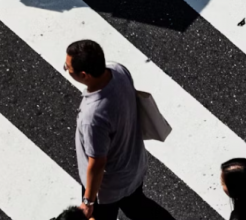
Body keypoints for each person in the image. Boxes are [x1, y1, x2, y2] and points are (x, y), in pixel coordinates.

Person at [64, 40, 175, 220]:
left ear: (84, 75)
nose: (66, 69)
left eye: (67, 67)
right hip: (133, 166)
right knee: (138, 205)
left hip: (107, 187)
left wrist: (89, 201)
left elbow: (97, 163)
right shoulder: (119, 71)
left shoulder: (93, 116)